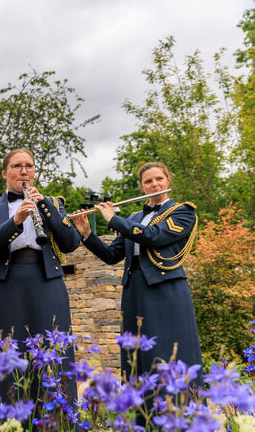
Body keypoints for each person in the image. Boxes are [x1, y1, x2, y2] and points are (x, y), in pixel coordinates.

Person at [70, 162, 203, 395]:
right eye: (148, 181)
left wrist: (112, 219)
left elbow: (154, 236)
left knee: (166, 350)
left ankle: (177, 413)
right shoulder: (134, 216)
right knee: (136, 356)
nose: (155, 184)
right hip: (134, 290)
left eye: (159, 179)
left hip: (166, 289)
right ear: (142, 186)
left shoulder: (183, 211)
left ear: (168, 180)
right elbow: (112, 256)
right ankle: (142, 417)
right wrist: (87, 234)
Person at [0, 149, 81, 402]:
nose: (24, 171)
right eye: (17, 166)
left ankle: (56, 419)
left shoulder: (53, 203)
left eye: (29, 166)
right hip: (4, 285)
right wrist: (15, 221)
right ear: (4, 173)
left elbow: (70, 243)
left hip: (46, 282)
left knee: (52, 348)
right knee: (6, 350)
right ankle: (7, 419)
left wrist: (47, 208)